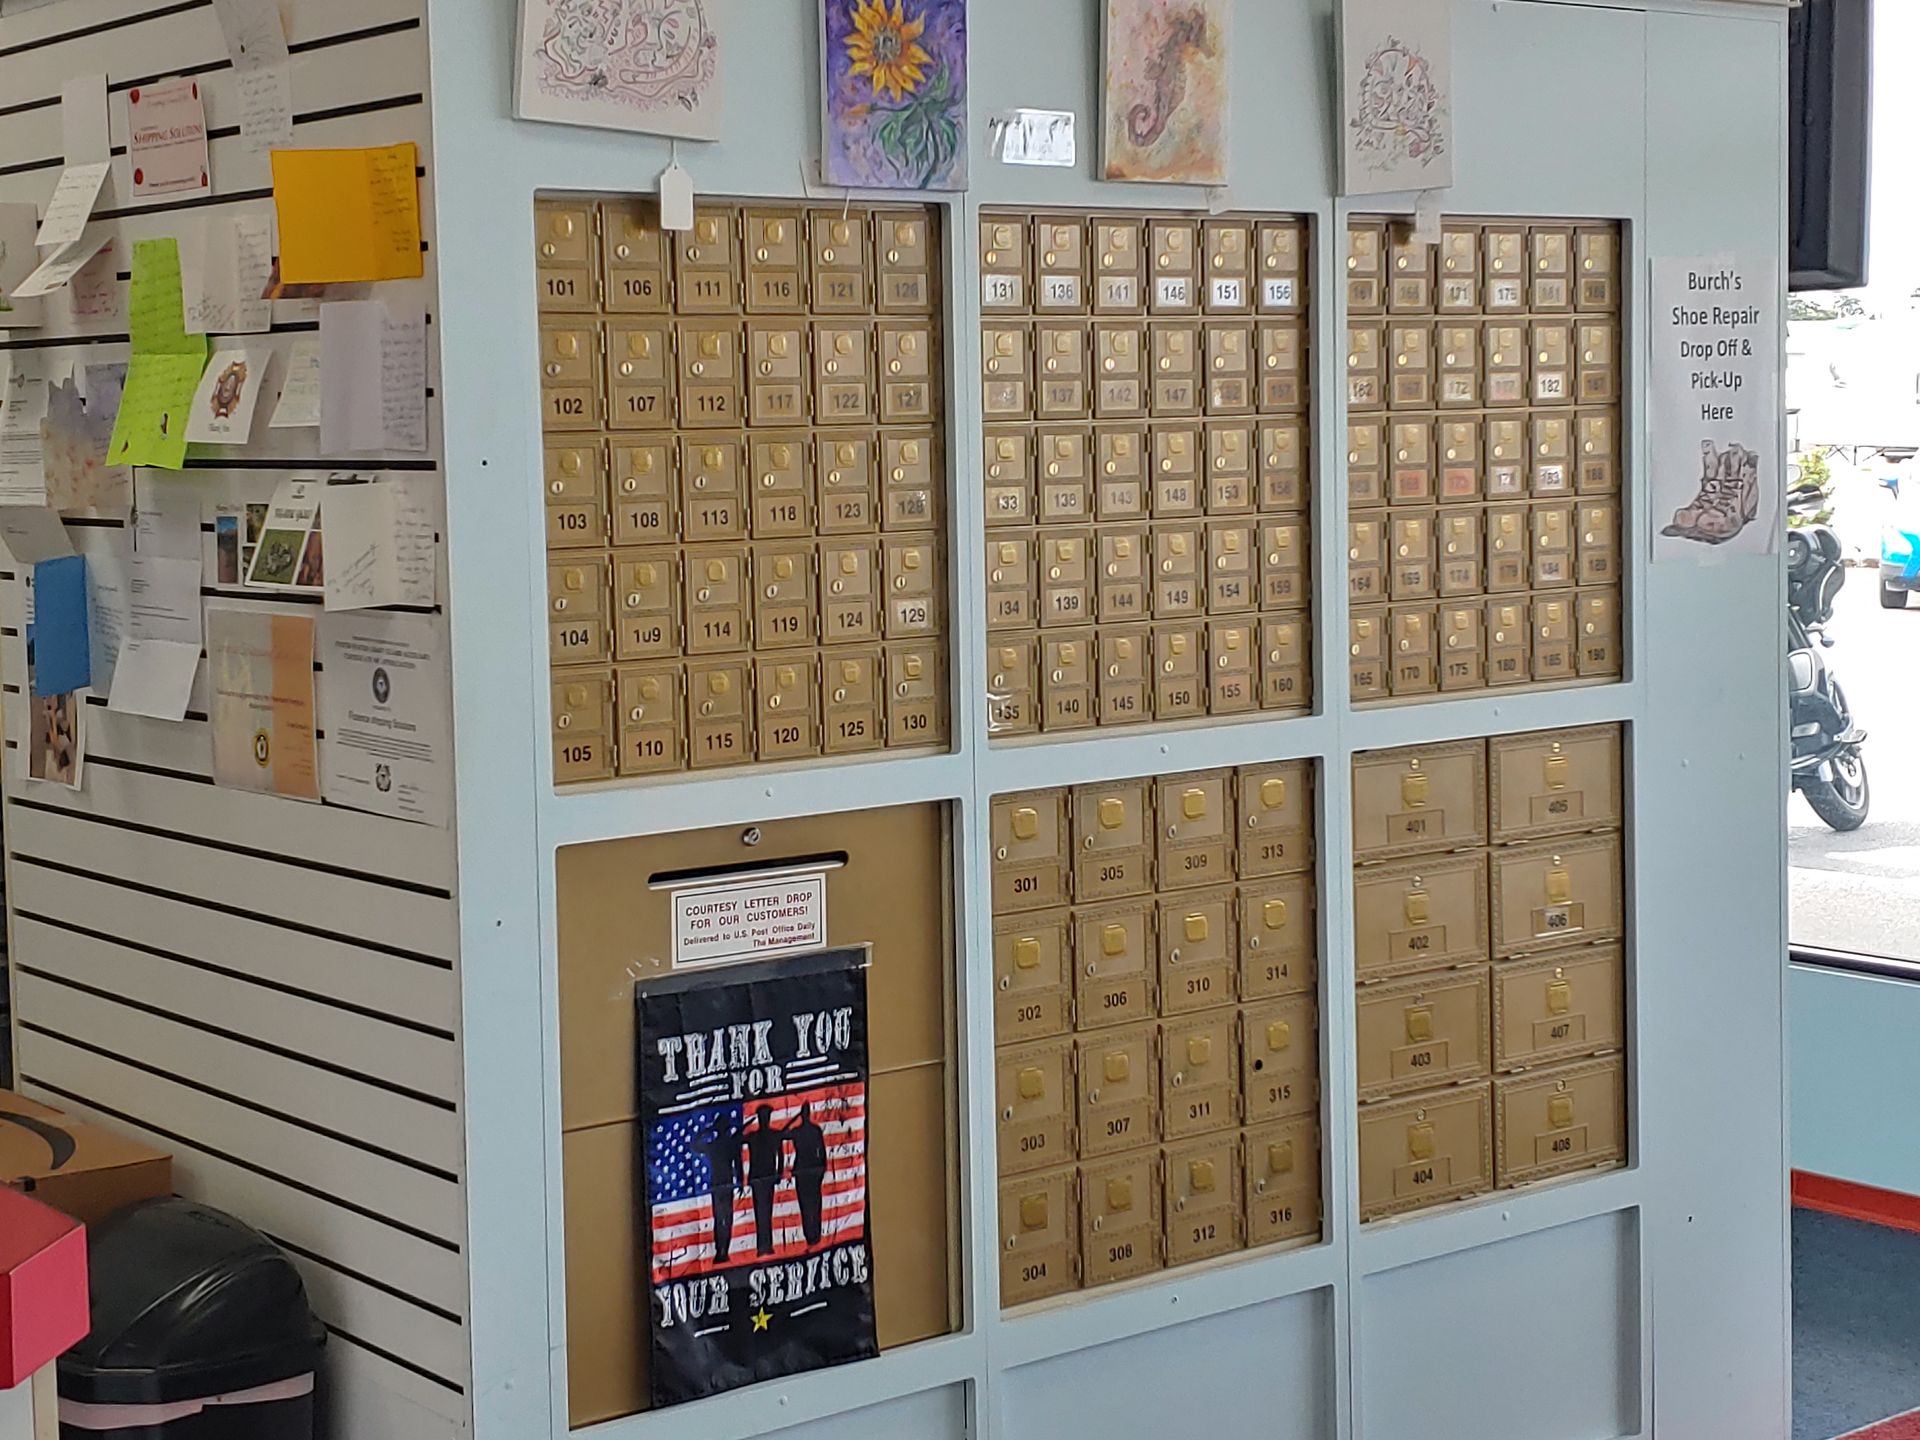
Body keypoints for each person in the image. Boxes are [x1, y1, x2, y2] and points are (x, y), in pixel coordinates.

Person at [692, 1119, 743, 1262]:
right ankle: (722, 1251)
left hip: (721, 1184)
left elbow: (695, 1145)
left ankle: (722, 1251)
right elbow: (738, 1164)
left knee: (720, 1218)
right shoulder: (726, 1145)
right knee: (725, 1218)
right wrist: (740, 1183)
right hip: (723, 1184)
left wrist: (705, 1132)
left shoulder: (714, 1145)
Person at [741, 1106, 785, 1256]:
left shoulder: (770, 1136)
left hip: (766, 1178)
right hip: (760, 1179)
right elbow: (738, 1140)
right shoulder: (755, 1136)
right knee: (761, 1213)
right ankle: (762, 1246)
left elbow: (781, 1154)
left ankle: (766, 1245)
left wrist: (779, 1172)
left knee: (766, 1213)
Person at [786, 1103, 829, 1247]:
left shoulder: (810, 1130)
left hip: (809, 1170)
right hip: (806, 1170)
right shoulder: (807, 1130)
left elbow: (822, 1151)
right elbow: (783, 1135)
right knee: (807, 1205)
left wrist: (822, 1168)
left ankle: (814, 1235)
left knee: (812, 1204)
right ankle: (811, 1236)